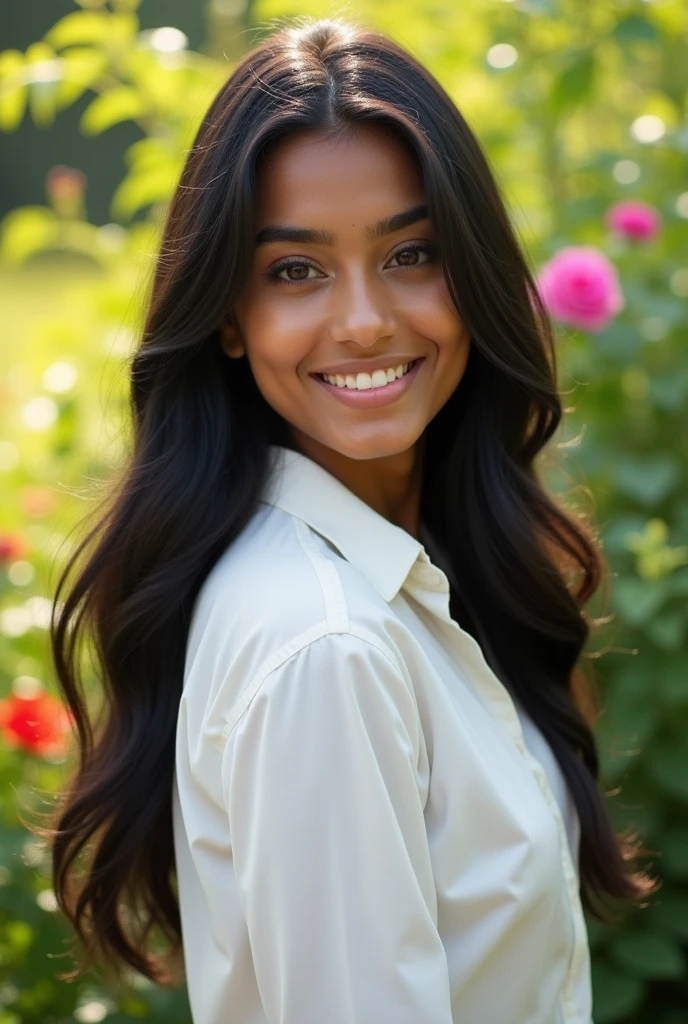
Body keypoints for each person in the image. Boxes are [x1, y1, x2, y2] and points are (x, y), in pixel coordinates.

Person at [44, 15, 651, 1024]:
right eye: (295, 270)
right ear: (228, 316)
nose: (365, 318)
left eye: (412, 252)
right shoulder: (329, 646)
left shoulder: (380, 576)